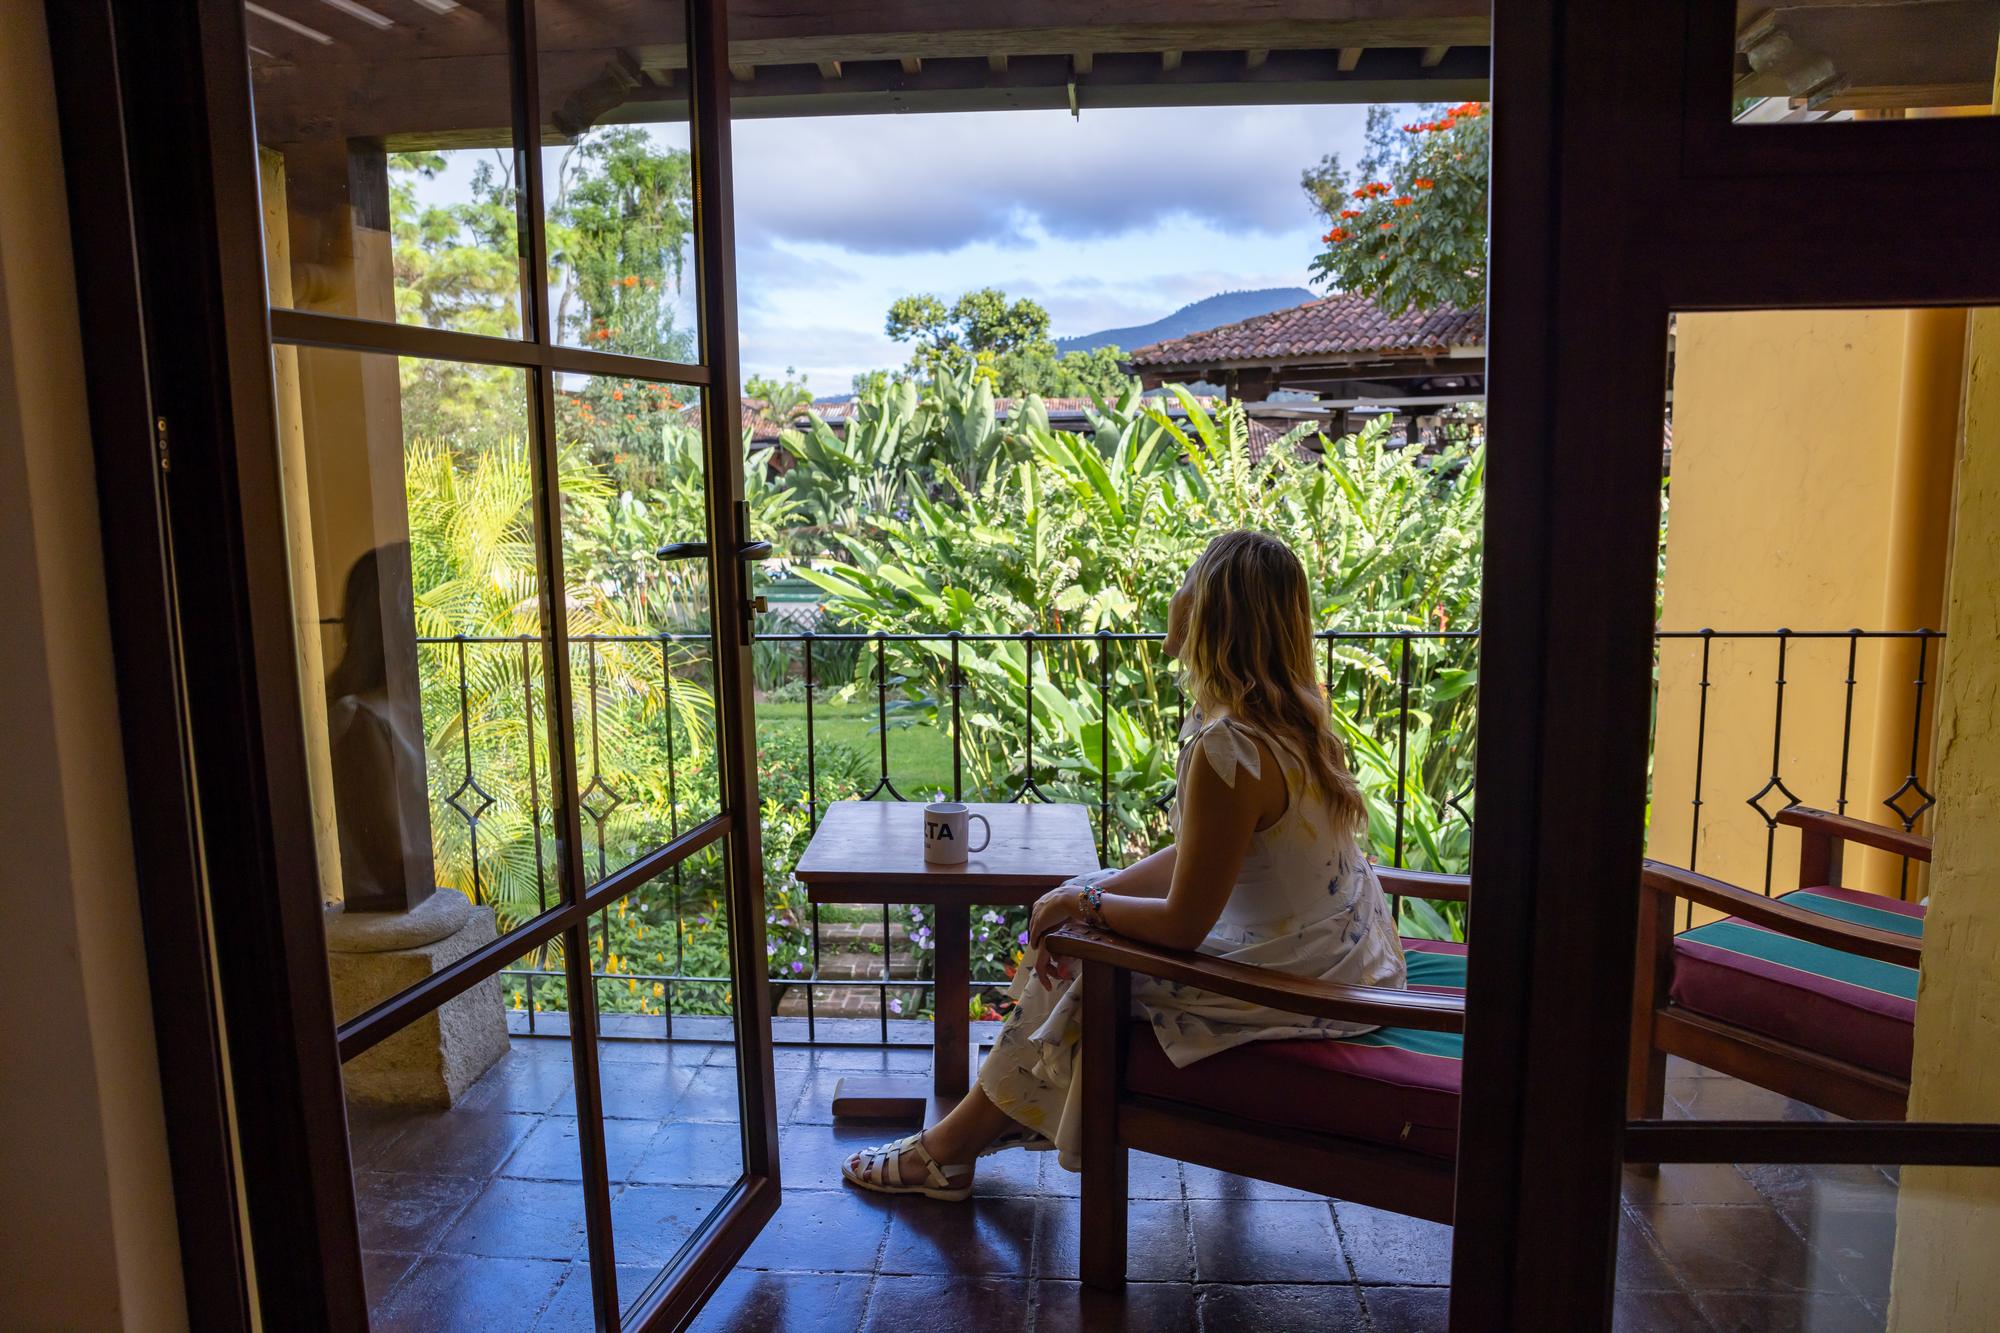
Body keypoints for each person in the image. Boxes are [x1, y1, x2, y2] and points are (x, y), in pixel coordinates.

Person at [841, 530, 1408, 1200]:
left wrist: (1085, 911)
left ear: (1211, 609)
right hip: (1351, 959)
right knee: (1086, 920)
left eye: (1191, 575)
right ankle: (983, 1127)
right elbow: (1202, 856)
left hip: (1305, 985)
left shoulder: (1229, 747)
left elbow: (1184, 926)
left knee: (1083, 966)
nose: (1177, 591)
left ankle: (950, 1149)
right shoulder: (1295, 714)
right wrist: (1091, 889)